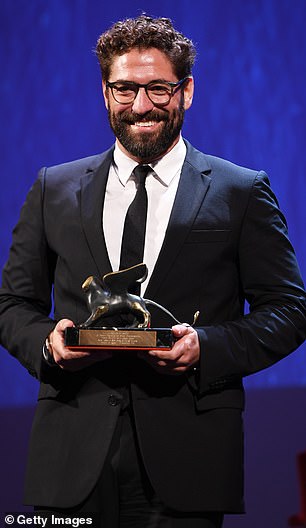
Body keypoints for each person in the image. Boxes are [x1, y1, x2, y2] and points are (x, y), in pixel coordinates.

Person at [0, 14, 305, 528]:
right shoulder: (54, 187)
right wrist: (49, 346)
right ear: (105, 93)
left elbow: (290, 310)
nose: (140, 106)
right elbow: (13, 305)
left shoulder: (240, 191)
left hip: (190, 461)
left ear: (186, 92)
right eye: (124, 89)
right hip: (70, 459)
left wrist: (207, 347)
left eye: (157, 88)